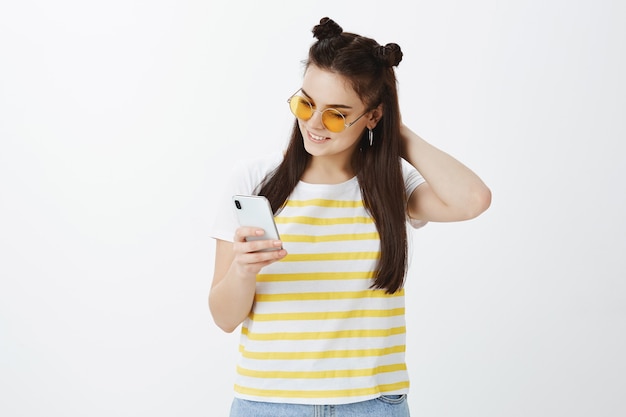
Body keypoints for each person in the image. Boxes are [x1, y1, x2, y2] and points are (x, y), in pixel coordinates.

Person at [208, 16, 491, 417]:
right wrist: (242, 271)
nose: (314, 124)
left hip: (373, 403)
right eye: (305, 103)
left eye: (337, 114)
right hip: (268, 403)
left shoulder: (393, 184)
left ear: (372, 116)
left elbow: (474, 199)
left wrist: (398, 134)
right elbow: (223, 318)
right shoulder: (255, 180)